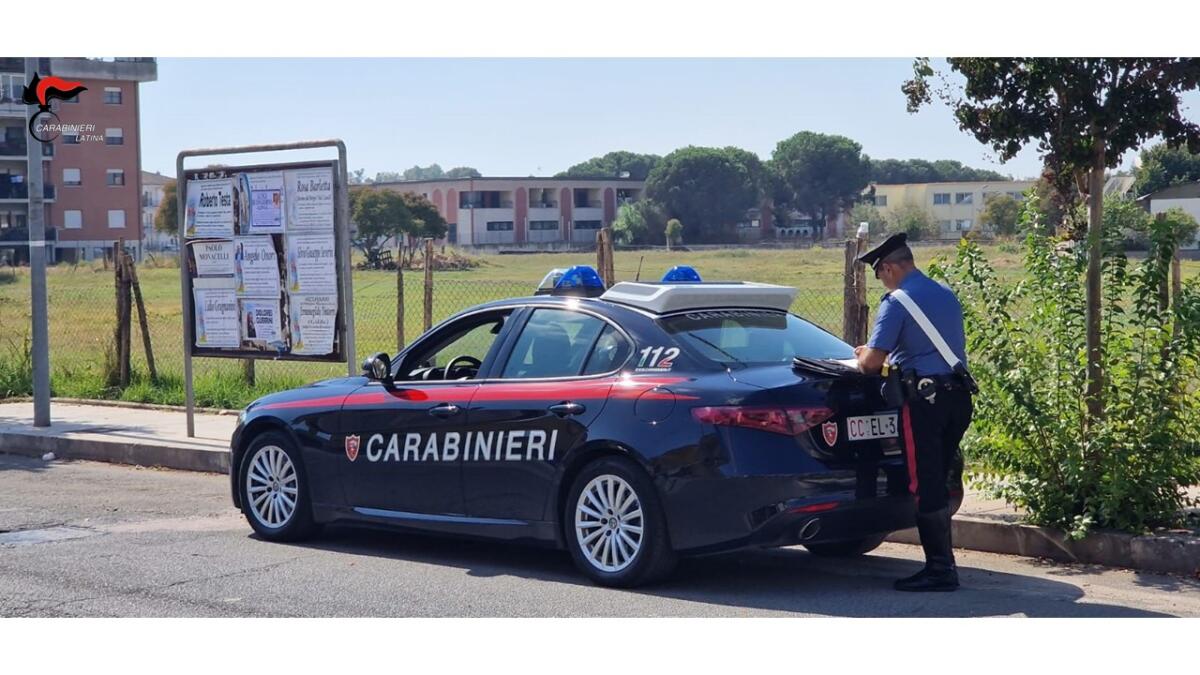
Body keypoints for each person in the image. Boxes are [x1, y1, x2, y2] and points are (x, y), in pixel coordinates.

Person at [854, 232, 973, 592]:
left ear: (889, 268)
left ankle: (940, 570)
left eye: (880, 274)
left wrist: (863, 353)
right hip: (958, 398)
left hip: (926, 402)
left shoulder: (896, 302)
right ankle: (942, 565)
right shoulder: (944, 293)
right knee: (938, 475)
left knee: (925, 483)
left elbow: (871, 364)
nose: (882, 281)